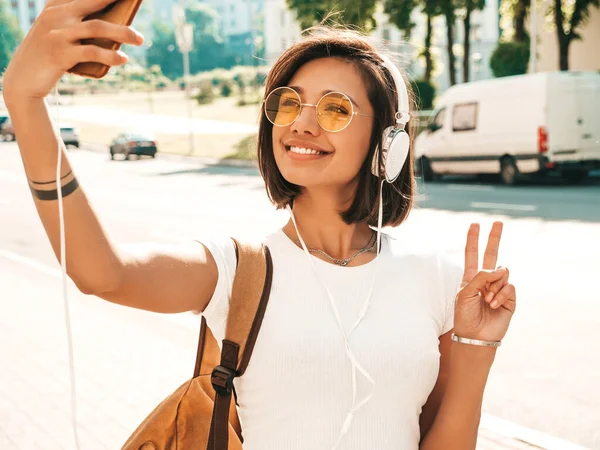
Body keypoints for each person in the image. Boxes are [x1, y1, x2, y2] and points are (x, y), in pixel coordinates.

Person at [2, 0, 517, 448]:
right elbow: (103, 272)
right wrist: (26, 102)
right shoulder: (237, 271)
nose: (301, 122)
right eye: (288, 103)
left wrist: (477, 350)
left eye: (336, 109)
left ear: (389, 145)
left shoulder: (437, 279)